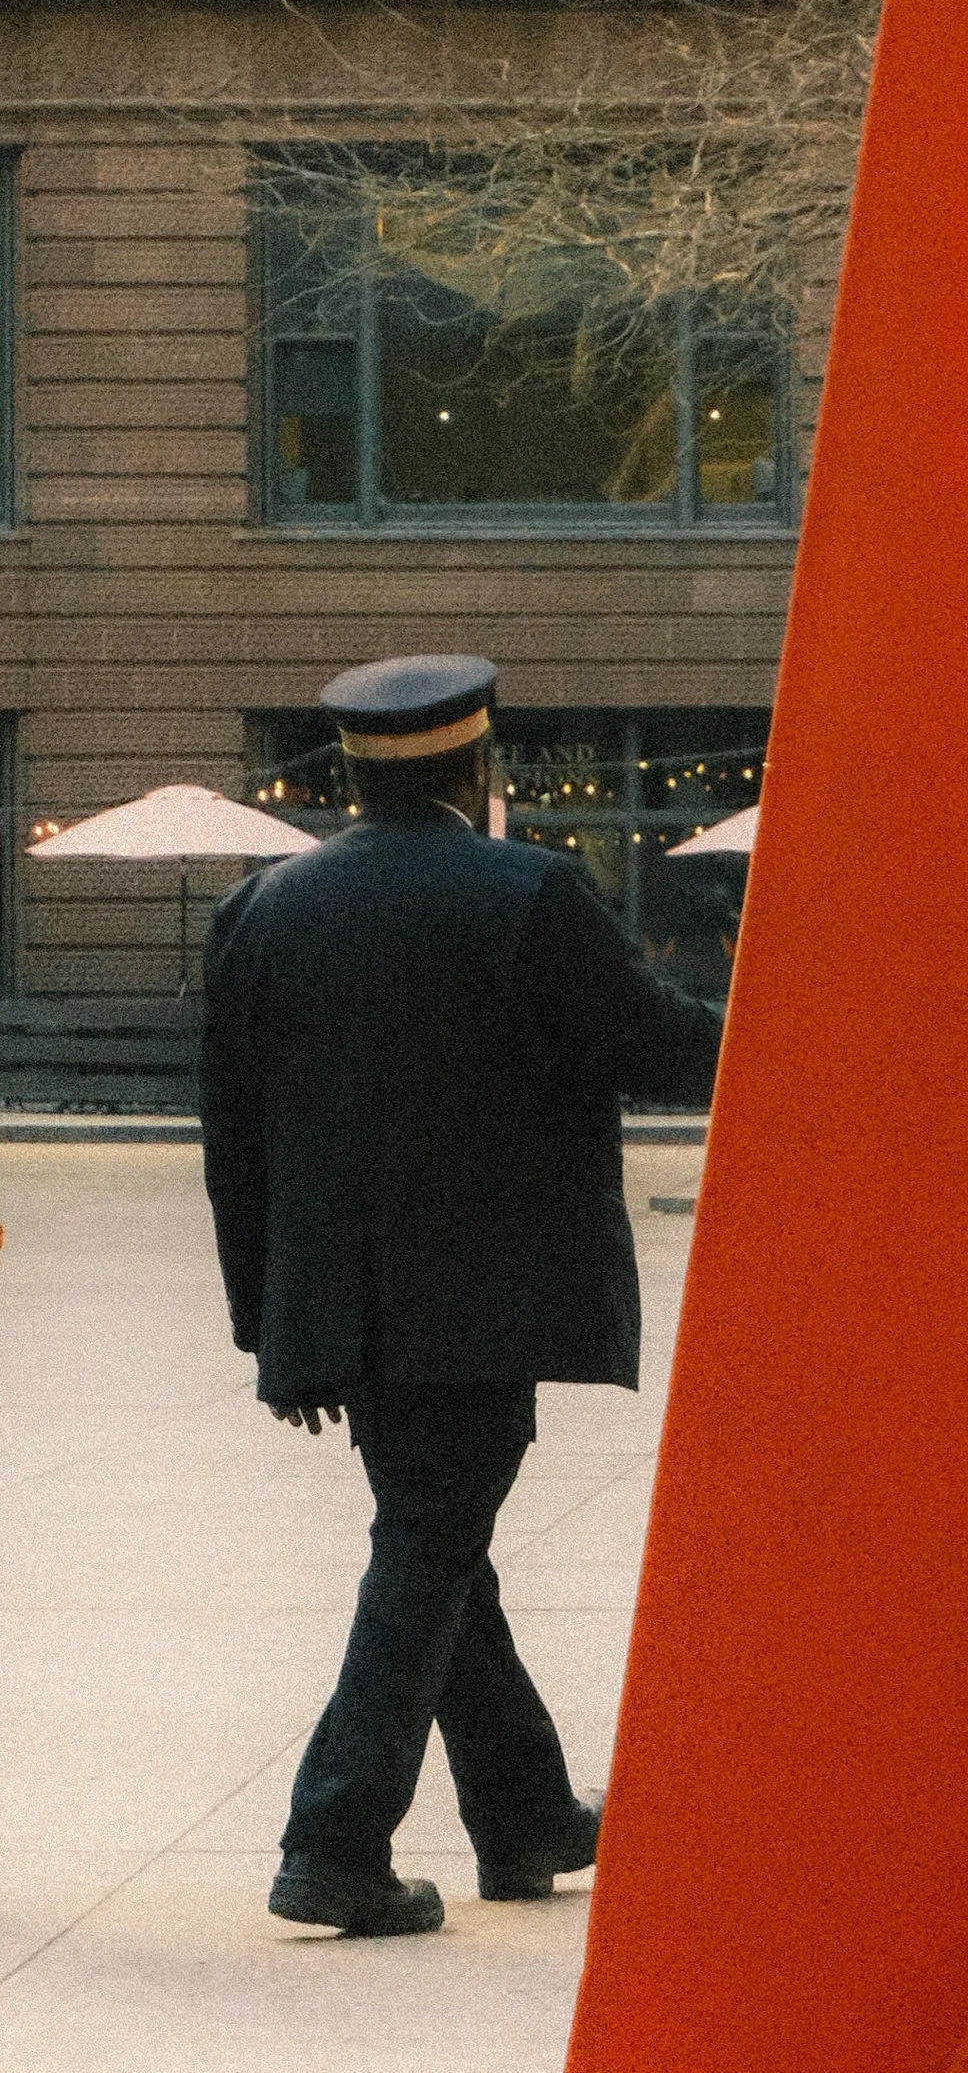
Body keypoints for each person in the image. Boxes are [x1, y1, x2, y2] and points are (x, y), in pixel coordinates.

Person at [199, 654, 723, 1937]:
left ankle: (526, 1810)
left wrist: (269, 1320)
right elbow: (654, 1045)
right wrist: (784, 995)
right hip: (487, 1294)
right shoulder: (527, 890)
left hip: (346, 1305)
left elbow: (235, 1136)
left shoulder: (264, 904)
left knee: (441, 1539)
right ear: (476, 763)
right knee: (432, 1539)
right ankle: (333, 1837)